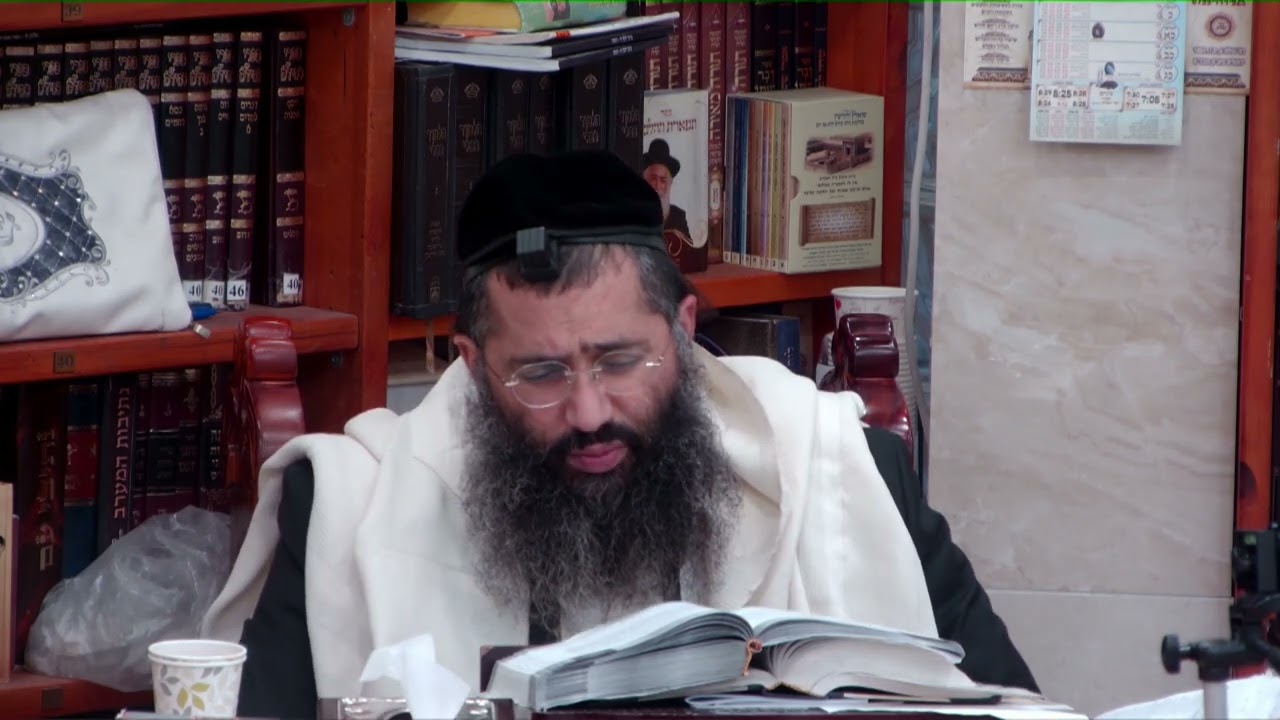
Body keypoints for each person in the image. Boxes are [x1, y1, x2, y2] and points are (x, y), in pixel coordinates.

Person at [200, 151, 1037, 718]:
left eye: (621, 360)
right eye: (540, 374)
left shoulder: (837, 465)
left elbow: (1017, 706)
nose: (590, 412)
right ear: (473, 365)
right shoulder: (350, 503)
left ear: (683, 329)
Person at [641, 138, 692, 245]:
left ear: (670, 183)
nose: (658, 186)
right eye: (653, 179)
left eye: (663, 180)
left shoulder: (679, 217)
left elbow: (689, 252)